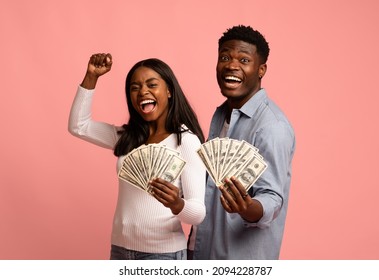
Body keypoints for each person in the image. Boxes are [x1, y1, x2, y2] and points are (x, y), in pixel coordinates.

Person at [68, 53, 206, 260]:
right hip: (120, 249)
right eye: (135, 87)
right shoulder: (128, 137)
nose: (143, 92)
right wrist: (91, 76)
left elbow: (198, 213)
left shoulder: (185, 141)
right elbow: (78, 126)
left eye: (152, 85)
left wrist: (176, 204)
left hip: (162, 255)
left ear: (169, 91)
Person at [188, 25, 296, 259]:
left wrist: (247, 208)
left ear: (261, 69)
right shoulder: (221, 115)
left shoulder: (272, 127)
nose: (232, 65)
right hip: (200, 252)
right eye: (225, 57)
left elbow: (272, 199)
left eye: (244, 59)